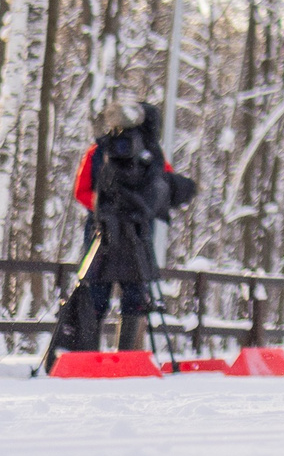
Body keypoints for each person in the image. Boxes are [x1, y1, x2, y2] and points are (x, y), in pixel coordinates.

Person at [56, 103, 195, 352]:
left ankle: (88, 354)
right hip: (134, 231)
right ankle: (128, 356)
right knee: (134, 292)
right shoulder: (151, 155)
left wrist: (105, 207)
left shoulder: (98, 151)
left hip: (103, 229)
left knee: (97, 290)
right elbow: (163, 189)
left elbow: (81, 190)